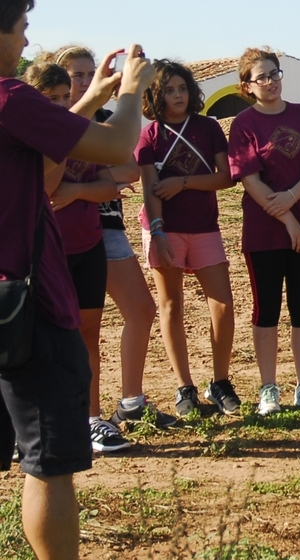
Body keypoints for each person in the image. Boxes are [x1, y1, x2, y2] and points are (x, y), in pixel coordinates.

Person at [0, 0, 154, 552]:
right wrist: (134, 88)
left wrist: (91, 98)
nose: (23, 45)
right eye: (21, 29)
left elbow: (41, 163)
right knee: (48, 465)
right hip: (27, 307)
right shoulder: (9, 96)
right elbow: (116, 146)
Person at [48, 44, 163, 444]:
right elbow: (48, 185)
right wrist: (100, 182)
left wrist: (83, 188)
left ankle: (120, 404)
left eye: (87, 73)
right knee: (60, 333)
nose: (82, 82)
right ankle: (80, 415)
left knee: (128, 315)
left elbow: (128, 169)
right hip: (58, 238)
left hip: (103, 230)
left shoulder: (101, 119)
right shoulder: (45, 120)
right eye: (74, 75)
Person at [228, 47, 300, 415]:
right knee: (266, 308)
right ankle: (268, 388)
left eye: (275, 74)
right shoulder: (243, 124)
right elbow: (249, 180)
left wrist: (291, 197)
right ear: (247, 86)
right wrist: (288, 218)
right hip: (266, 230)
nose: (271, 82)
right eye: (262, 77)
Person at [137, 60, 239, 416]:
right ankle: (185, 388)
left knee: (223, 306)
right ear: (156, 95)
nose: (177, 96)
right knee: (171, 306)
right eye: (169, 90)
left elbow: (225, 176)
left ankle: (220, 380)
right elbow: (149, 190)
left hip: (205, 226)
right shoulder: (149, 135)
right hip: (164, 229)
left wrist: (182, 182)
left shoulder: (208, 127)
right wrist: (159, 231)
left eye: (182, 88)